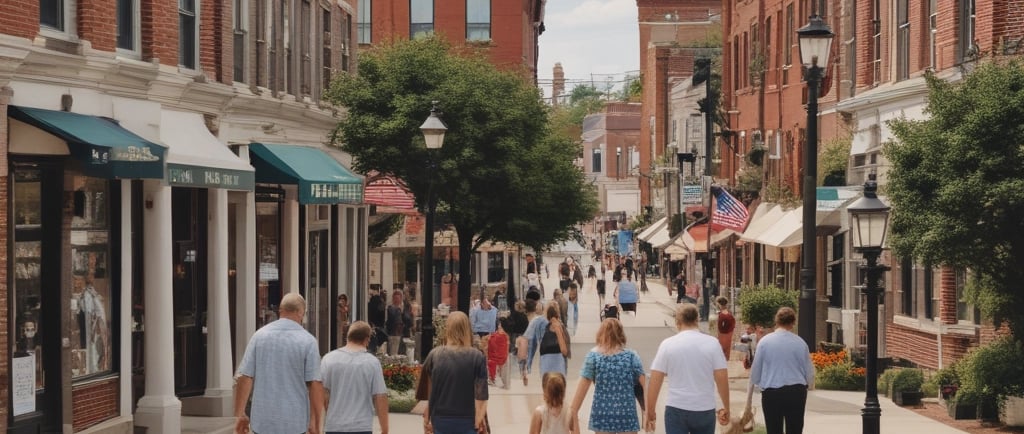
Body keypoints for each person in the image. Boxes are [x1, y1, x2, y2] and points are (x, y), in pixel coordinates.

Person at [234, 292, 323, 434]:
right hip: (295, 421)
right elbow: (315, 384)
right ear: (301, 313)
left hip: (263, 422)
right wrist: (315, 422)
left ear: (280, 311)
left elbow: (245, 377)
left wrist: (240, 414)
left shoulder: (259, 336)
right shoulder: (308, 341)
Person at [645, 304, 731, 434]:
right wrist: (726, 407)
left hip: (676, 408)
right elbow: (722, 378)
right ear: (697, 320)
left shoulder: (667, 345)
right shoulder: (712, 343)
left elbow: (655, 380)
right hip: (704, 408)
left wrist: (650, 412)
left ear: (677, 322)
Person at [416, 312, 488, 434]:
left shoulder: (434, 355)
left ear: (447, 329)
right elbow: (481, 394)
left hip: (440, 418)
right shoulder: (477, 357)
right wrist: (479, 418)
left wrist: (427, 416)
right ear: (467, 329)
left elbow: (427, 390)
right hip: (467, 418)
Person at [569, 318, 645, 434]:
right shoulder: (632, 356)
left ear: (600, 334)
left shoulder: (593, 357)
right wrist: (648, 411)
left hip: (602, 413)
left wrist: (573, 412)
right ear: (621, 334)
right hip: (626, 413)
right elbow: (644, 386)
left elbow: (581, 389)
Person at [749, 307, 815, 434]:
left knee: (773, 429)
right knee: (795, 429)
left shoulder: (765, 342)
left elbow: (755, 374)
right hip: (796, 391)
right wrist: (809, 385)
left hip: (772, 392)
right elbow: (809, 373)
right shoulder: (801, 343)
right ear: (793, 322)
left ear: (776, 321)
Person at [319, 321, 389, 434]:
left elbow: (322, 393)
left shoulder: (329, 359)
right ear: (367, 340)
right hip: (361, 426)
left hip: (334, 425)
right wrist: (385, 429)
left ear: (348, 337)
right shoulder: (372, 363)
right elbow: (380, 397)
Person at [526, 301, 570, 379]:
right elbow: (565, 349)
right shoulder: (558, 325)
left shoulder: (539, 322)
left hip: (545, 360)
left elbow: (532, 344)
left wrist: (529, 364)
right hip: (555, 361)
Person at [385, 289, 412, 356]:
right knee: (394, 353)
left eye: (398, 298)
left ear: (401, 298)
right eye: (395, 298)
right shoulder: (390, 308)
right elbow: (392, 321)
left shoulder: (406, 307)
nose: (396, 300)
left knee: (404, 353)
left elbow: (409, 320)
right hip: (394, 334)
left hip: (405, 334)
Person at [487, 319, 510, 388]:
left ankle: (493, 379)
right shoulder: (505, 335)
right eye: (499, 324)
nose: (499, 326)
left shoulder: (499, 336)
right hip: (502, 357)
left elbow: (493, 345)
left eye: (500, 325)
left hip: (498, 357)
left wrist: (490, 338)